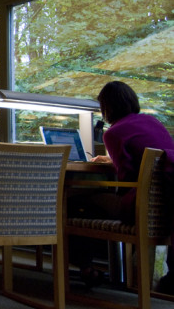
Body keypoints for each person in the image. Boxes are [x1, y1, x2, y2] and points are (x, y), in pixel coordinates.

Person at [68, 81, 174, 288]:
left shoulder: (114, 133)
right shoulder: (153, 122)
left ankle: (86, 268)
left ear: (107, 107)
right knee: (91, 203)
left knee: (74, 202)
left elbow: (126, 181)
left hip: (137, 206)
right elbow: (150, 159)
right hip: (164, 206)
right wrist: (112, 161)